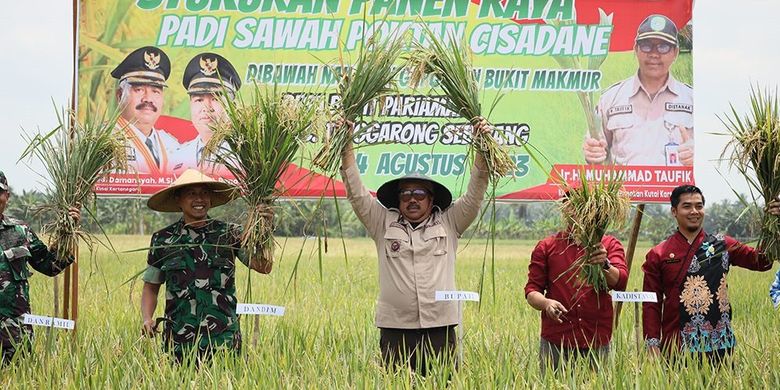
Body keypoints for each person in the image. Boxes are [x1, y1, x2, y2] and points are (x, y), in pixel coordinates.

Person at [339, 119, 490, 375]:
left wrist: (482, 146)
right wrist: (346, 145)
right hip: (395, 327)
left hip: (439, 326)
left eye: (419, 194)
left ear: (431, 200)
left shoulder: (450, 222)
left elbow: (475, 193)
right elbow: (356, 192)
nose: (412, 200)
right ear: (398, 200)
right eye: (405, 194)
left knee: (442, 383)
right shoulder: (382, 223)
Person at [140, 169, 271, 364]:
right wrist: (147, 318)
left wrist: (265, 228)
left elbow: (263, 266)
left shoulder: (229, 234)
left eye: (204, 193)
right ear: (178, 199)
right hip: (178, 339)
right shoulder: (163, 239)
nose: (199, 198)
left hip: (223, 338)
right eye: (191, 193)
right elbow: (151, 286)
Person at [642, 185, 779, 363]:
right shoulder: (659, 253)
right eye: (687, 206)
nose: (694, 211)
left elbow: (762, 262)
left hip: (720, 347)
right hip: (676, 347)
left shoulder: (723, 245)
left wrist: (774, 223)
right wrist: (652, 344)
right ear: (674, 211)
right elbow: (651, 303)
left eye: (699, 206)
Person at [525, 195, 628, 372]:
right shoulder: (547, 246)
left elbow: (620, 282)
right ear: (564, 209)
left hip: (596, 337)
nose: (577, 211)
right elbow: (532, 290)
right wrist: (546, 303)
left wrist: (605, 263)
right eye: (572, 205)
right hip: (557, 338)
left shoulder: (608, 245)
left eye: (582, 205)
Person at [583, 14, 694, 166]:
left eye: (663, 46)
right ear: (636, 49)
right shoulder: (611, 98)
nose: (654, 54)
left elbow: (711, 153)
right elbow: (595, 147)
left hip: (676, 190)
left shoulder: (692, 99)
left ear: (675, 52)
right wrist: (593, 152)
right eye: (646, 45)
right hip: (623, 189)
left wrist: (698, 155)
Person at [0, 171, 80, 363]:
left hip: (14, 333)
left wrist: (68, 232)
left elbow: (49, 265)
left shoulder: (21, 232)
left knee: (20, 379)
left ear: (7, 196)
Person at [111, 46, 181, 175]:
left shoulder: (172, 145)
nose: (148, 99)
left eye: (155, 91)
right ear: (120, 95)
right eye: (139, 90)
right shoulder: (104, 143)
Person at [172, 53, 242, 177]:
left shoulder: (245, 156)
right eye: (199, 100)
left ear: (233, 106)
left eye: (215, 99)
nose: (206, 108)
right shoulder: (177, 156)